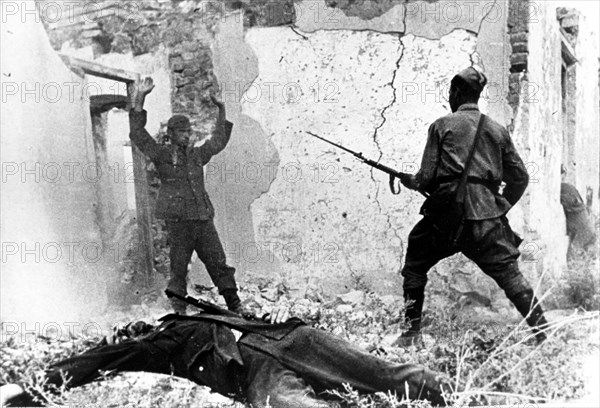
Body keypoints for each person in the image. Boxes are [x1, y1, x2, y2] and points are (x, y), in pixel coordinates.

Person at [1, 308, 450, 408]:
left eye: (131, 328)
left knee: (383, 373)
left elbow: (106, 355)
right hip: (257, 365)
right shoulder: (159, 344)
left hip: (289, 340)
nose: (129, 333)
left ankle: (462, 394)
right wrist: (33, 387)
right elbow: (105, 358)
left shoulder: (177, 323)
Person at [397, 67, 548, 345]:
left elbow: (426, 177)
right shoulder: (497, 129)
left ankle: (411, 334)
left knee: (416, 262)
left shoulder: (442, 125)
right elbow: (521, 178)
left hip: (446, 216)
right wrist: (499, 205)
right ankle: (543, 334)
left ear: (455, 92)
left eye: (450, 92)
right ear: (477, 95)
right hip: (487, 217)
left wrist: (410, 180)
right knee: (510, 275)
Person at [128, 77, 245, 315]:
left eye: (189, 132)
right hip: (179, 223)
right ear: (171, 134)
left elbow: (219, 140)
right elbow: (138, 133)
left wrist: (222, 109)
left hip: (202, 220)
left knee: (218, 263)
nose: (187, 136)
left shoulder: (196, 156)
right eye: (182, 132)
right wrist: (140, 99)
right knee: (179, 268)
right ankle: (179, 310)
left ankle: (235, 305)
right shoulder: (160, 154)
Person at [560, 166, 596, 257]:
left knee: (574, 258)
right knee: (582, 261)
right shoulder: (568, 188)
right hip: (587, 229)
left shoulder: (565, 188)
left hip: (583, 231)